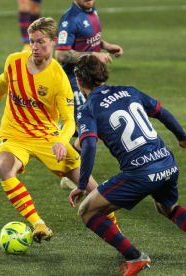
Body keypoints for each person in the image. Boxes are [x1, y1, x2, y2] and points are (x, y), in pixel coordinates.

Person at [68, 55, 186, 276]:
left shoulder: (88, 109)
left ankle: (134, 257)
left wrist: (82, 184)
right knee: (165, 207)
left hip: (140, 174)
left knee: (87, 211)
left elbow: (89, 147)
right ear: (103, 73)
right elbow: (161, 111)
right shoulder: (129, 91)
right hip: (167, 163)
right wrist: (181, 135)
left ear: (79, 81)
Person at [0, 17, 118, 243]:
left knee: (94, 191)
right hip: (15, 135)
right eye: (32, 42)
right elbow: (5, 80)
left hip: (48, 138)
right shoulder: (14, 61)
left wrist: (61, 142)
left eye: (40, 42)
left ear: (54, 42)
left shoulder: (59, 79)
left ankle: (117, 235)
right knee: (3, 168)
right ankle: (39, 224)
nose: (34, 47)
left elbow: (69, 121)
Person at [55, 0, 124, 189]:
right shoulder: (70, 19)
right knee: (86, 128)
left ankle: (71, 172)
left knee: (90, 128)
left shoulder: (91, 9)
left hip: (89, 77)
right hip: (75, 80)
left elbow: (88, 38)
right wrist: (92, 56)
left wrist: (105, 45)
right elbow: (60, 54)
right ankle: (72, 174)